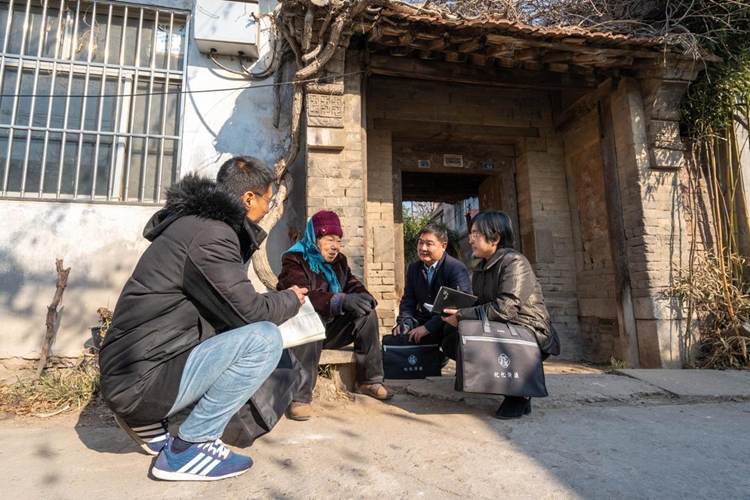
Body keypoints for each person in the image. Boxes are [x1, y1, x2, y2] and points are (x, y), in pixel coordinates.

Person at [99, 156, 308, 481]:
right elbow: (249, 311)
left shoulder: (195, 226)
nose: (269, 209)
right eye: (269, 199)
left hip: (131, 371)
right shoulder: (212, 235)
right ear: (248, 198)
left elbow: (228, 307)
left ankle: (145, 421)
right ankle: (191, 446)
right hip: (138, 382)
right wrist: (291, 299)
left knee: (241, 331)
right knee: (264, 339)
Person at [441, 210, 560, 419]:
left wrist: (462, 315)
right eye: (471, 234)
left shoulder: (515, 262)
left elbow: (506, 308)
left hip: (528, 332)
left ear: (495, 238)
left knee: (461, 331)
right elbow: (481, 303)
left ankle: (520, 390)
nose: (471, 239)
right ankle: (504, 380)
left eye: (476, 234)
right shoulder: (480, 268)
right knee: (451, 339)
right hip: (502, 327)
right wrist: (455, 309)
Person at [277, 210, 392, 421]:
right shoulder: (294, 258)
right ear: (316, 238)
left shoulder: (340, 261)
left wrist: (365, 298)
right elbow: (303, 296)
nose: (335, 246)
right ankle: (300, 397)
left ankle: (369, 380)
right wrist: (341, 300)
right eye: (329, 239)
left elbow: (352, 283)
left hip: (331, 328)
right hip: (303, 332)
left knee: (367, 314)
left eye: (338, 240)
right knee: (311, 317)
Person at [395, 223, 471, 359]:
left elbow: (459, 305)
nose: (423, 248)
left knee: (453, 330)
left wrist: (428, 328)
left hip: (447, 322)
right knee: (400, 334)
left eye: (429, 244)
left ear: (443, 246)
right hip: (424, 318)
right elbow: (408, 300)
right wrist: (405, 322)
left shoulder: (455, 268)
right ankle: (435, 360)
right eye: (420, 243)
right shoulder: (414, 269)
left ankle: (459, 364)